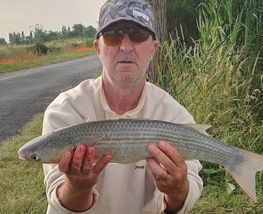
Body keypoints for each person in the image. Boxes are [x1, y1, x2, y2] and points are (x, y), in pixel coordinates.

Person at [42, 0, 203, 213]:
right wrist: (77, 187)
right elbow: (60, 204)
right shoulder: (65, 110)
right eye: (113, 36)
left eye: (137, 35)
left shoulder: (174, 114)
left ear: (153, 48)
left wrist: (178, 191)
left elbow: (186, 192)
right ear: (98, 48)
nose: (125, 47)